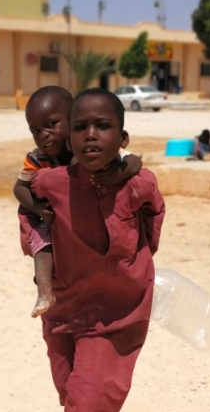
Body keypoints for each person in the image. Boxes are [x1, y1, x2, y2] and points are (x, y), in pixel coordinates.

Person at [29, 89, 165, 412]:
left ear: (122, 138)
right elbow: (29, 211)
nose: (91, 136)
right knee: (70, 390)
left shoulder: (138, 182)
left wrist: (131, 263)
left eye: (103, 127)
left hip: (118, 313)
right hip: (66, 310)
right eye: (80, 127)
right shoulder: (51, 184)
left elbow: (153, 219)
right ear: (68, 137)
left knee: (88, 396)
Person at [13, 86, 143, 318]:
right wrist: (36, 207)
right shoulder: (37, 159)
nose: (44, 134)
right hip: (53, 222)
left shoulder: (91, 150)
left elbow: (134, 162)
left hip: (86, 223)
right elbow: (19, 187)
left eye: (51, 125)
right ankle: (45, 289)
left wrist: (118, 174)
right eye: (36, 130)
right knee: (42, 240)